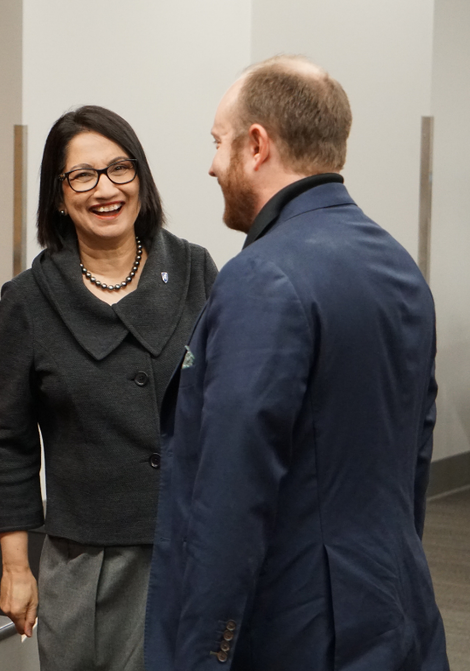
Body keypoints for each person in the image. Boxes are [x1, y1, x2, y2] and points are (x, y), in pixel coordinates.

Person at [145, 55, 449, 671]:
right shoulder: (400, 269)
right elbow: (411, 462)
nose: (209, 163)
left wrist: (204, 656)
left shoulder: (261, 278)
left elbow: (232, 493)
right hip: (396, 616)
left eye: (217, 141)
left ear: (257, 146)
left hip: (294, 632)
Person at [0, 105, 218, 671]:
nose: (105, 189)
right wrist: (16, 566)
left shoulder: (195, 271)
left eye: (120, 169)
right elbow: (9, 442)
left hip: (189, 545)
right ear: (59, 195)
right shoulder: (28, 300)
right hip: (84, 559)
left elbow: (225, 407)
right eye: (82, 176)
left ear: (141, 178)